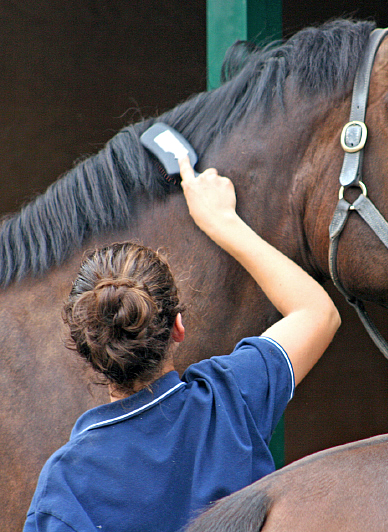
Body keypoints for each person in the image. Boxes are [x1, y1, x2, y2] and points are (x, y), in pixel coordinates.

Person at [23, 157, 341, 532]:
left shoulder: (65, 485)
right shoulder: (228, 398)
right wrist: (223, 222)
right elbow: (318, 312)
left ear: (87, 349)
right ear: (178, 326)